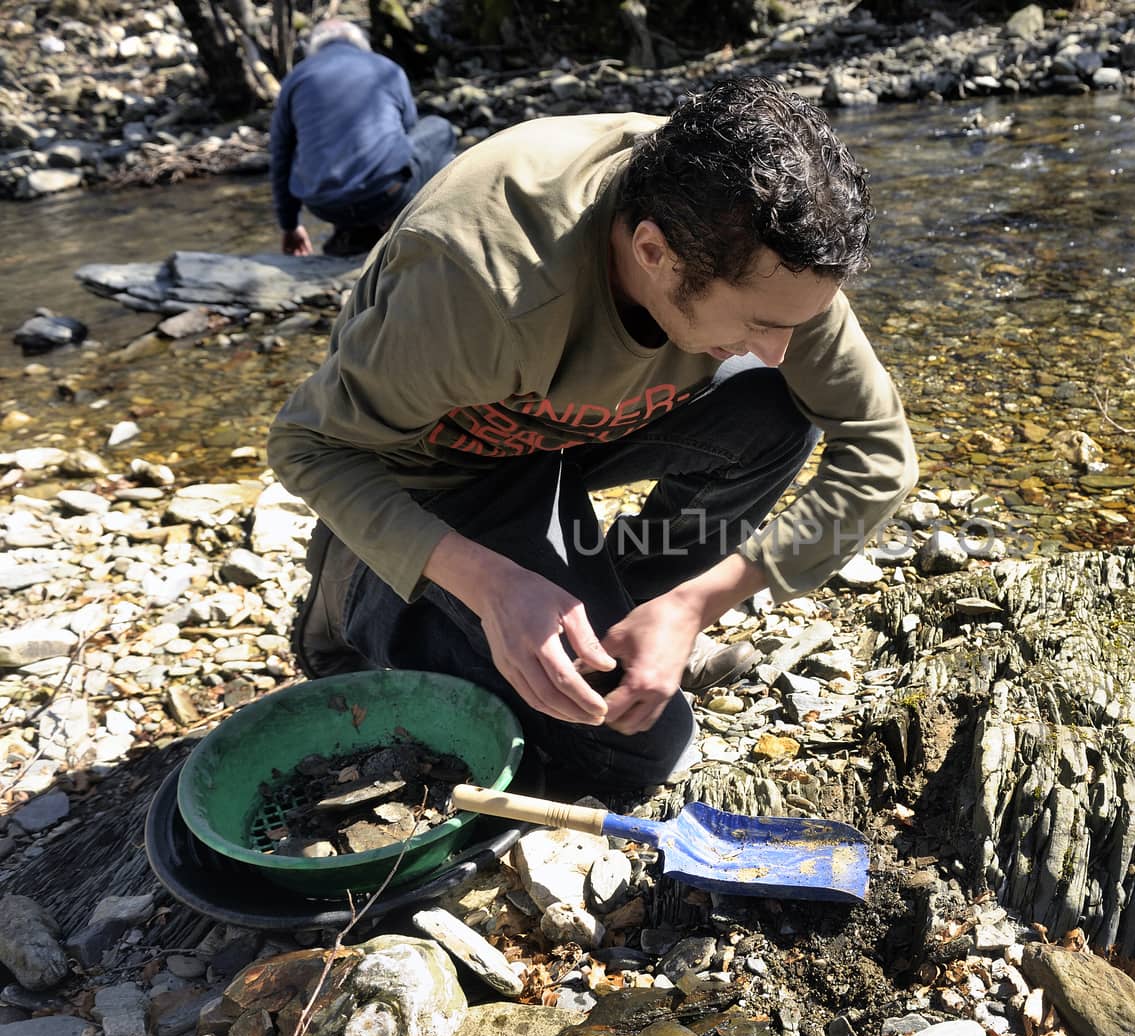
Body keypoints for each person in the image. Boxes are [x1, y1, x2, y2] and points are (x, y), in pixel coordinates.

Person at [267, 77, 917, 794]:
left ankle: (620, 619)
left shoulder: (769, 250)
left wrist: (693, 604)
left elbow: (882, 454)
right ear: (652, 251)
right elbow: (308, 446)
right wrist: (492, 586)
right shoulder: (485, 281)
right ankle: (350, 582)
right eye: (760, 324)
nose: (777, 346)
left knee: (773, 409)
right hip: (444, 465)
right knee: (631, 754)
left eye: (796, 322)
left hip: (564, 430)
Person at [269, 19, 456, 258]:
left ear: (314, 48)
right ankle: (420, 230)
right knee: (439, 129)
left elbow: (280, 157)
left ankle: (351, 231)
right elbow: (407, 133)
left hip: (324, 206)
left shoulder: (295, 79)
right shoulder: (387, 68)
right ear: (360, 43)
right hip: (386, 195)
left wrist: (290, 225)